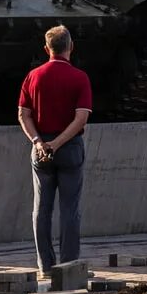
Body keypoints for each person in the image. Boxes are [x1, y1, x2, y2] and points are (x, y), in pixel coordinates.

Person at [17, 24, 92, 276]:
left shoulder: (33, 76)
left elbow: (23, 115)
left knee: (41, 210)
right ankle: (68, 267)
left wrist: (39, 142)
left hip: (40, 150)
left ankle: (45, 266)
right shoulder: (80, 78)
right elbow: (81, 119)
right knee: (70, 209)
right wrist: (57, 144)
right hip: (69, 147)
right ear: (71, 47)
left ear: (46, 48)